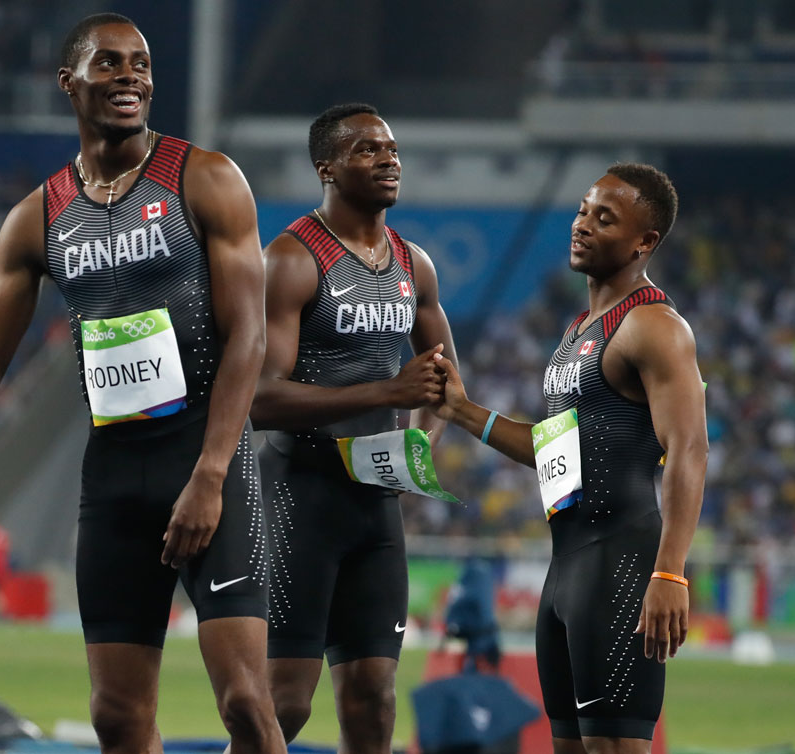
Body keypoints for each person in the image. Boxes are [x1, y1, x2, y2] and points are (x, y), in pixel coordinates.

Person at [0, 14, 286, 754]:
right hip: (114, 478)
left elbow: (249, 336)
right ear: (70, 82)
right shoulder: (37, 219)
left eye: (142, 64)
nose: (131, 76)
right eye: (111, 64)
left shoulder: (207, 179)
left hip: (205, 462)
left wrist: (213, 472)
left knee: (248, 704)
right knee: (118, 719)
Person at [433, 164, 707, 754]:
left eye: (605, 218)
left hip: (622, 567)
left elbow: (689, 448)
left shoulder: (655, 327)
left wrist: (669, 571)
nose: (583, 225)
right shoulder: (579, 329)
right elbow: (559, 454)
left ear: (645, 243)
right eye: (584, 210)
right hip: (567, 574)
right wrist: (462, 411)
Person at [248, 103, 458, 753]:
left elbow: (446, 382)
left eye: (393, 149)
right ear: (328, 170)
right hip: (297, 498)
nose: (389, 159)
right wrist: (387, 391)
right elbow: (259, 398)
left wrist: (416, 446)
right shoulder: (288, 259)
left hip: (374, 510)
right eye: (368, 150)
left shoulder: (412, 264)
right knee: (282, 705)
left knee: (374, 699)